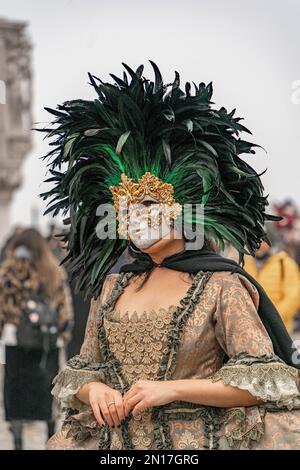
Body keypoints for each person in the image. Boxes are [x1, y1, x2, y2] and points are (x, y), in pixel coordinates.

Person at [40, 62, 300, 450]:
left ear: (185, 208)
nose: (134, 217)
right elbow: (81, 373)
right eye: (124, 208)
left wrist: (171, 389)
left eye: (147, 202)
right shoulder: (112, 286)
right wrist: (94, 391)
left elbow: (262, 382)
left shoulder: (221, 286)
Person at [0, 228, 73, 449]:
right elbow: (64, 307)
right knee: (46, 390)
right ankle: (49, 437)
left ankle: (18, 440)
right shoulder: (53, 271)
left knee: (16, 391)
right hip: (47, 343)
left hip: (16, 341)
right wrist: (63, 333)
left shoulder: (9, 271)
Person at [244, 239, 300, 333]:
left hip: (279, 331)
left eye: (263, 240)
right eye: (254, 239)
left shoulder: (285, 263)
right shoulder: (245, 264)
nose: (258, 245)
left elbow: (293, 297)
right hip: (251, 330)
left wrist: (273, 318)